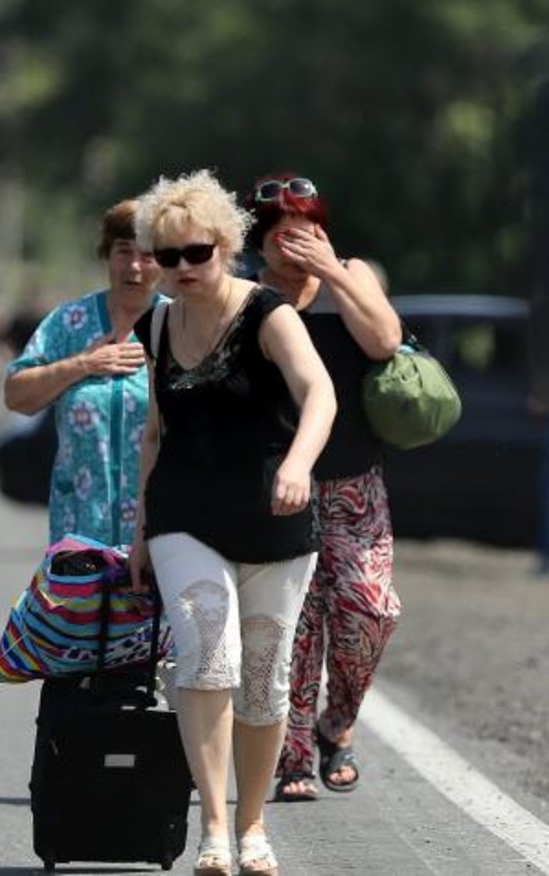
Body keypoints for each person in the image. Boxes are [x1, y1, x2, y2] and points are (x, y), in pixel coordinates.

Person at [129, 169, 336, 876]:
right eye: (168, 257)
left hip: (273, 512)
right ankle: (213, 827)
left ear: (226, 244)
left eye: (197, 253)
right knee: (205, 650)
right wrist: (139, 530)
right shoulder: (155, 322)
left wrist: (300, 465)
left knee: (264, 678)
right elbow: (155, 434)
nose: (183, 269)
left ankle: (253, 826)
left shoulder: (267, 313)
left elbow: (320, 395)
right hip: (186, 513)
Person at [244, 172, 403, 802]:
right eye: (283, 236)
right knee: (297, 626)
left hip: (356, 485)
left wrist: (332, 272)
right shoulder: (250, 297)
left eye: (306, 232)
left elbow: (385, 341)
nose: (296, 246)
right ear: (261, 243)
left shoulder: (351, 278)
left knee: (369, 611)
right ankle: (293, 758)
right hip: (280, 484)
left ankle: (339, 720)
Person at [3, 199, 163, 546]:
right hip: (80, 529)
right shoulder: (70, 322)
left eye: (147, 255)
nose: (134, 266)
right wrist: (82, 365)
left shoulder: (179, 324)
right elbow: (15, 395)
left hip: (159, 533)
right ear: (106, 254)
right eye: (123, 251)